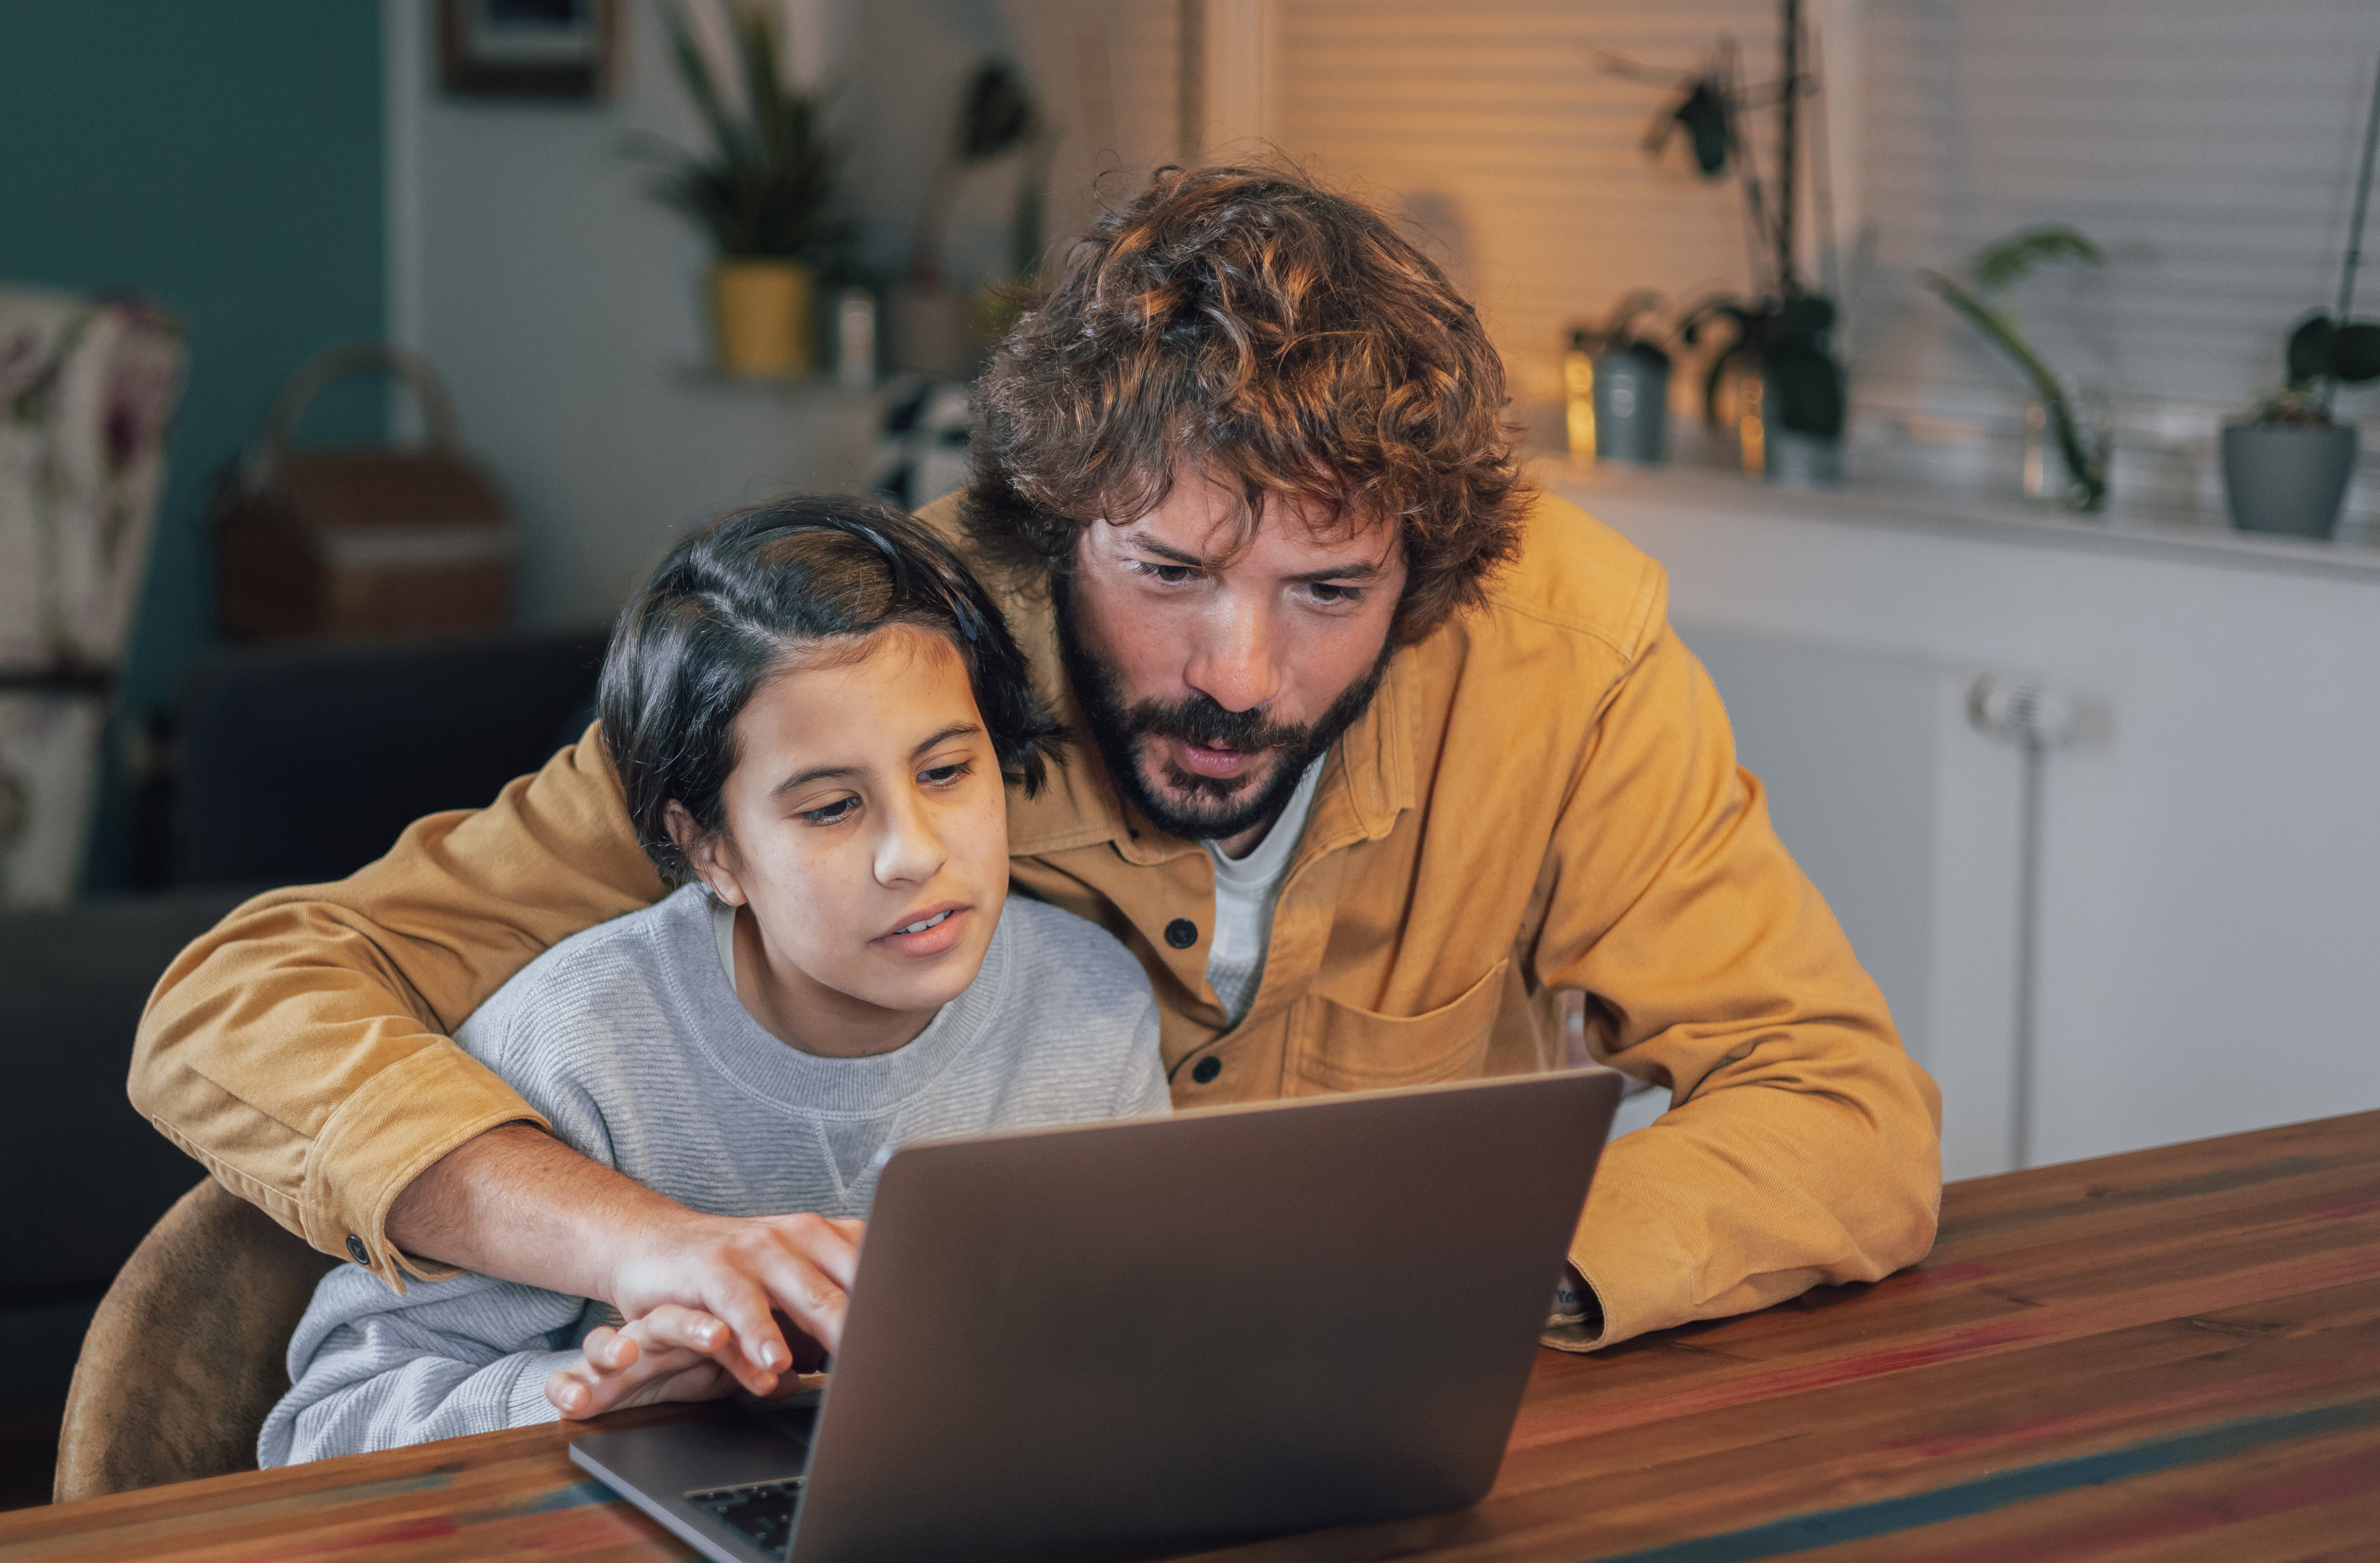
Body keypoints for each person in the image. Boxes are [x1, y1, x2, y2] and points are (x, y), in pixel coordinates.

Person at [130, 164, 1941, 1408]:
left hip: (1366, 1488)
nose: (1239, 672)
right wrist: (651, 1246)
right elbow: (238, 1001)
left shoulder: (1568, 651)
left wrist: (1439, 1275)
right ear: (1059, 511)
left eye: (1327, 593)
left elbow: (1842, 1108)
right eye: (1166, 572)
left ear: (1430, 574)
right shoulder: (859, 679)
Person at [258, 497, 1169, 1462]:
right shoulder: (578, 1046)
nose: (914, 854)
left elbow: (1149, 1351)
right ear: (712, 851)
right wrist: (587, 1402)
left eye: (947, 771)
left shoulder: (1092, 1003)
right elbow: (320, 1427)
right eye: (829, 808)